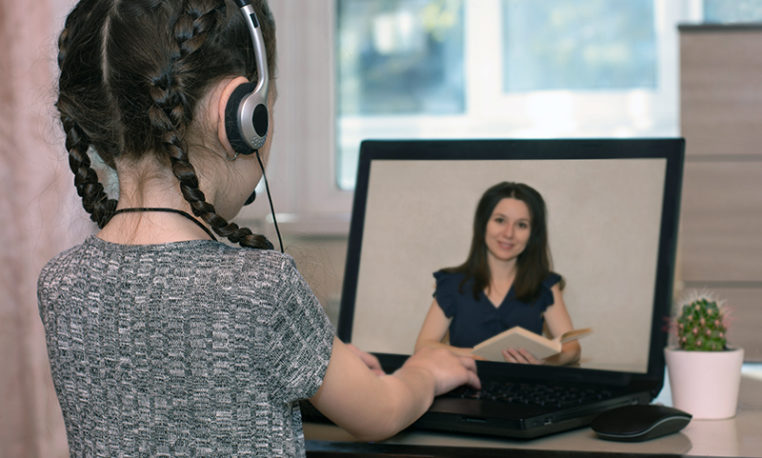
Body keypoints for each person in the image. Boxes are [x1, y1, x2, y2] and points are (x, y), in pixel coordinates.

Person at [37, 1, 479, 456]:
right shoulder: (260, 289)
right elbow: (381, 413)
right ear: (242, 117)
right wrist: (425, 370)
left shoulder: (60, 284)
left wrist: (319, 355)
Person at [415, 182, 581, 366]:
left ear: (533, 233)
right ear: (483, 224)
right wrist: (473, 355)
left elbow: (572, 349)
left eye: (521, 225)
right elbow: (423, 347)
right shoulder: (452, 283)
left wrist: (543, 362)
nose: (508, 233)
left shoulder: (545, 284)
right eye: (500, 220)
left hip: (524, 389)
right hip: (463, 387)